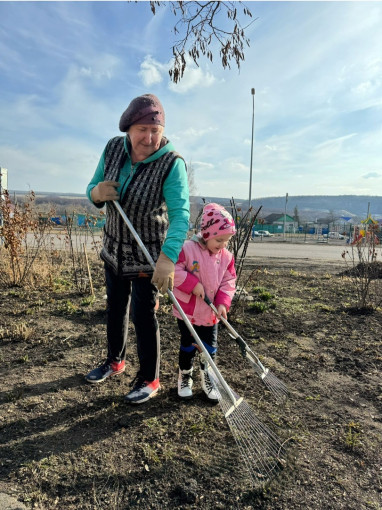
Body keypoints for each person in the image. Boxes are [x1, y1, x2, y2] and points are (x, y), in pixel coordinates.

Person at [84, 93, 189, 404]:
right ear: (128, 129)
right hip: (113, 247)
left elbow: (181, 214)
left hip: (148, 253)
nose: (149, 137)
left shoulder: (172, 164)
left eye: (155, 130)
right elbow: (93, 186)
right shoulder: (113, 148)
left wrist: (168, 258)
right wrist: (97, 193)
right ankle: (115, 361)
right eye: (142, 129)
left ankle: (149, 378)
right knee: (115, 308)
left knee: (143, 315)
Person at [172, 203, 236, 401]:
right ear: (206, 234)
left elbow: (228, 281)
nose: (223, 244)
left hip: (210, 314)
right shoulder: (188, 249)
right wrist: (192, 284)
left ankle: (208, 377)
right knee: (188, 346)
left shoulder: (226, 257)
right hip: (188, 312)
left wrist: (223, 303)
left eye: (227, 240)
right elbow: (174, 270)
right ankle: (185, 375)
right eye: (219, 239)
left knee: (209, 349)